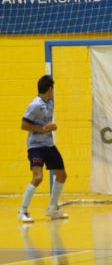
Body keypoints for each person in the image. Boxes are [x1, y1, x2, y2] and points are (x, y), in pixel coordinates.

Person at [18, 75, 68, 223]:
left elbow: (47, 123)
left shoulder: (50, 102)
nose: (54, 91)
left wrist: (52, 127)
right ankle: (22, 211)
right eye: (53, 88)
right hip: (36, 147)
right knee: (38, 177)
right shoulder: (35, 105)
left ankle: (52, 208)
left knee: (62, 175)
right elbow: (24, 125)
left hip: (49, 145)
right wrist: (43, 128)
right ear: (50, 89)